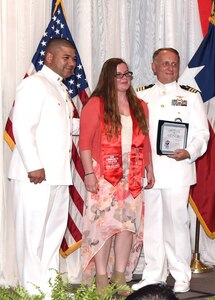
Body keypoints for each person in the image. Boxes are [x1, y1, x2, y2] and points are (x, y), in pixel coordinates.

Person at [132, 48, 209, 293]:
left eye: (174, 64)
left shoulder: (191, 96)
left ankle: (181, 274)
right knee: (153, 224)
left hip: (178, 169)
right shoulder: (140, 95)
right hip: (149, 171)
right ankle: (154, 273)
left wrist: (189, 151)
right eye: (164, 63)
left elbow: (201, 133)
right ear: (153, 66)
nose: (170, 68)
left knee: (177, 223)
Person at [8, 38, 79, 296]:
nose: (72, 63)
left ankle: (48, 288)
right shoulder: (34, 84)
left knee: (52, 234)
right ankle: (32, 291)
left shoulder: (59, 88)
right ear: (49, 57)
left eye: (73, 59)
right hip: (35, 175)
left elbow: (62, 127)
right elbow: (22, 126)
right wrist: (34, 165)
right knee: (32, 235)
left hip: (58, 174)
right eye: (66, 57)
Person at [79, 58, 155, 296]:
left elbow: (146, 141)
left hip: (132, 173)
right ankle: (102, 277)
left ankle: (120, 276)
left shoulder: (140, 105)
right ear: (109, 77)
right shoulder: (95, 104)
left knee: (127, 227)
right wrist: (89, 173)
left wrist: (149, 169)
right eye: (119, 75)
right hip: (103, 174)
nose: (125, 78)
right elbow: (84, 144)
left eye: (127, 74)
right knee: (104, 227)